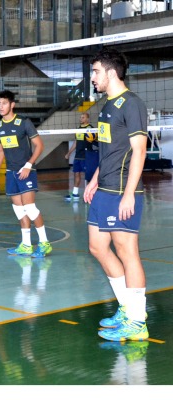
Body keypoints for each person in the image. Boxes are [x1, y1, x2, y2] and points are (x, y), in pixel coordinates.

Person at [84, 47, 149, 341]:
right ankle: (126, 308)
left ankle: (137, 322)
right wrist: (94, 180)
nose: (92, 77)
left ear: (111, 72)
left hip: (123, 190)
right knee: (97, 247)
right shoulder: (106, 106)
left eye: (96, 71)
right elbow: (108, 150)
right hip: (104, 188)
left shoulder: (131, 104)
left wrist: (130, 194)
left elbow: (139, 151)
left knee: (127, 252)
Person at [0, 90, 52, 258]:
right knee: (19, 211)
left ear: (12, 105)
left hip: (26, 171)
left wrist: (28, 165)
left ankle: (44, 243)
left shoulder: (23, 123)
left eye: (4, 103)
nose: (1, 107)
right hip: (10, 173)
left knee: (30, 209)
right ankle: (26, 245)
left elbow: (40, 146)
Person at [64, 112, 93, 202]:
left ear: (87, 119)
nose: (81, 119)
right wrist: (69, 153)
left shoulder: (90, 128)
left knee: (88, 176)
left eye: (83, 117)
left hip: (86, 155)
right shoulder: (79, 129)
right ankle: (75, 193)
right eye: (80, 117)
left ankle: (90, 193)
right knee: (76, 173)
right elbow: (76, 142)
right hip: (78, 155)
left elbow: (93, 140)